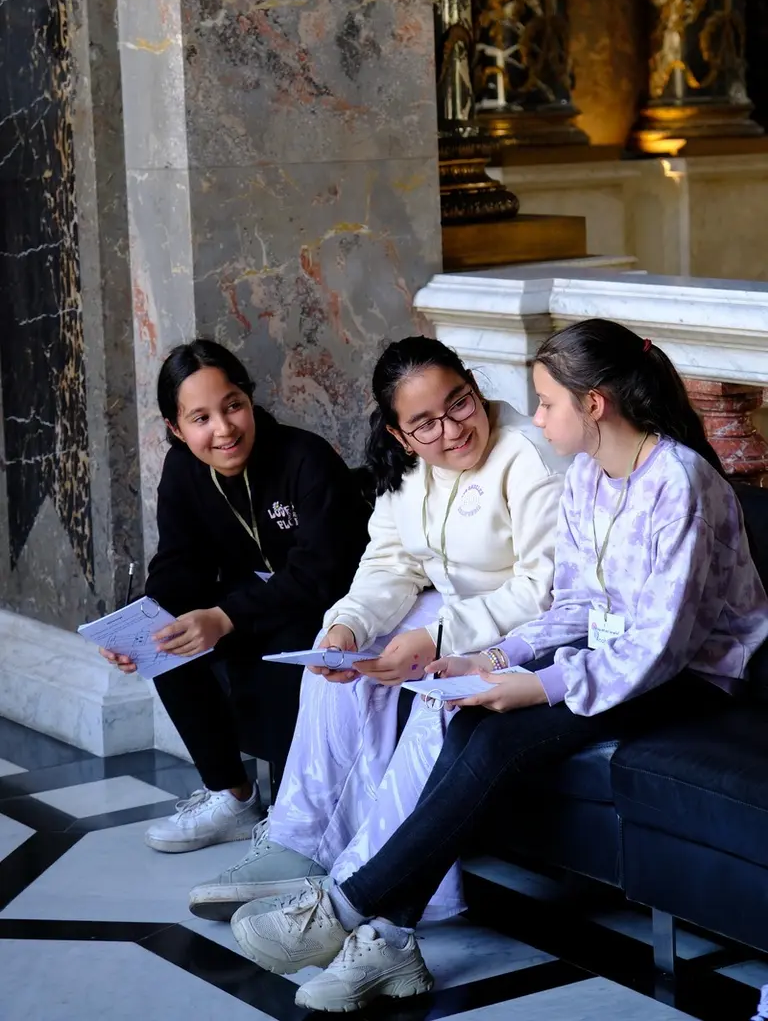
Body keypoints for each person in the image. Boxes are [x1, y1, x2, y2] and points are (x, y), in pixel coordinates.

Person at [230, 318, 768, 1014]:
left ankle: (346, 905)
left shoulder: (680, 483)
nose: (535, 418)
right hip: (613, 659)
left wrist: (537, 684)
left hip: (695, 677)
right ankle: (392, 939)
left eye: (545, 402)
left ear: (593, 404)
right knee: (466, 719)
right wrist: (488, 660)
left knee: (505, 735)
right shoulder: (590, 479)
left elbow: (659, 647)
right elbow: (572, 605)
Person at [187, 334, 568, 922]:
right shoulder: (410, 467)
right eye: (425, 424)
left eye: (459, 403)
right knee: (340, 653)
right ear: (398, 434)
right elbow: (391, 565)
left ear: (474, 386)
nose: (451, 430)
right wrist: (345, 624)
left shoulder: (529, 457)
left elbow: (541, 591)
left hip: (525, 628)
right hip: (454, 612)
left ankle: (374, 881)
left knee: (438, 699)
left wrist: (437, 638)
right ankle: (298, 842)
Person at [100, 339, 370, 853]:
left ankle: (299, 816)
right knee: (167, 640)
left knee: (289, 641)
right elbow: (179, 561)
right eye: (200, 418)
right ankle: (233, 796)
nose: (223, 429)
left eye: (232, 406)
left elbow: (321, 574)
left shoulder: (304, 458)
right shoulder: (183, 469)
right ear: (176, 430)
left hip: (335, 606)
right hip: (252, 602)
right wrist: (139, 626)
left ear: (249, 399)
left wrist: (224, 617)